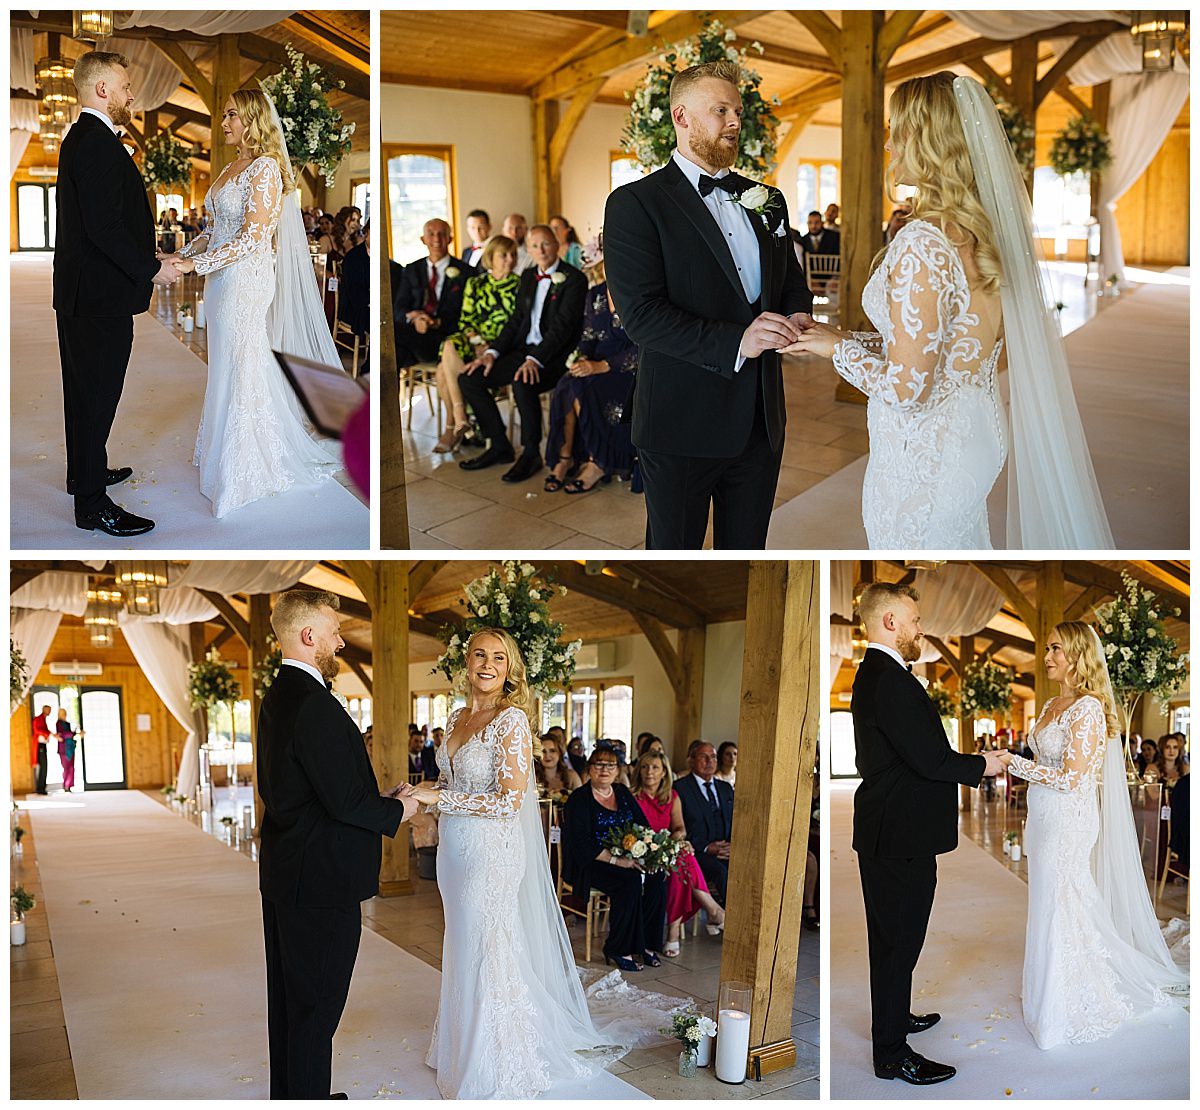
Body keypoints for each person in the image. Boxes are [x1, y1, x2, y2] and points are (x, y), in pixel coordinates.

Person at [785, 73, 1112, 550]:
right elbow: (937, 346)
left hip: (924, 449)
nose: (889, 145)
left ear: (928, 140)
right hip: (972, 432)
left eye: (898, 129)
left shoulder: (923, 242)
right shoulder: (982, 232)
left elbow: (909, 388)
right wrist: (839, 336)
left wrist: (835, 349)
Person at [400, 629, 679, 1097]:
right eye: (479, 655)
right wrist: (418, 795)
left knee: (487, 946)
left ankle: (493, 1057)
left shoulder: (510, 722)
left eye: (499, 658)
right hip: (455, 848)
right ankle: (458, 1045)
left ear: (510, 670)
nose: (487, 664)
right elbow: (448, 779)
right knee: (463, 943)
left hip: (491, 853)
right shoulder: (454, 718)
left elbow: (508, 801)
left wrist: (439, 795)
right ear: (465, 662)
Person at [604, 60, 814, 549]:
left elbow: (791, 284)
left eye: (737, 110)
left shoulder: (768, 200)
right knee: (673, 554)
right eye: (720, 110)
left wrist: (799, 312)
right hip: (681, 424)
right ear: (681, 116)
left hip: (761, 423)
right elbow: (642, 316)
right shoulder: (635, 204)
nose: (735, 122)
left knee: (748, 554)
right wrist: (739, 340)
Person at [158, 89, 350, 519]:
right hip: (221, 279)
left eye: (230, 115)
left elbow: (251, 238)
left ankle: (246, 469)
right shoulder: (229, 167)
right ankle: (222, 456)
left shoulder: (265, 169)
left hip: (245, 280)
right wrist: (186, 255)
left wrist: (197, 266)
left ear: (251, 118)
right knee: (227, 363)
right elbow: (217, 228)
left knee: (244, 362)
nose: (224, 123)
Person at [256, 590, 414, 1098]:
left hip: (289, 871)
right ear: (308, 636)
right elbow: (345, 804)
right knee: (314, 1007)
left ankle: (293, 1097)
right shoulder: (315, 704)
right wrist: (405, 808)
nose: (340, 640)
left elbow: (313, 789)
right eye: (333, 630)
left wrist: (377, 797)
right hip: (319, 882)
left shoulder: (278, 695)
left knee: (289, 1000)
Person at [851, 581, 1008, 1085]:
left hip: (900, 830)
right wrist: (985, 762)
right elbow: (931, 759)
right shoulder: (887, 679)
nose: (922, 628)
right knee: (897, 941)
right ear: (890, 621)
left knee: (897, 940)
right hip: (898, 835)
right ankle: (891, 1054)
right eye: (915, 620)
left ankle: (894, 1019)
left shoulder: (882, 674)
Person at [1005, 622, 1188, 1049]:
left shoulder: (1087, 708)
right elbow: (1048, 762)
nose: (1047, 656)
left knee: (1063, 900)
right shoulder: (1052, 702)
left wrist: (1013, 763)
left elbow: (1071, 779)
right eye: (1047, 648)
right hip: (1044, 815)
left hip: (1069, 819)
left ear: (1078, 653)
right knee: (1047, 899)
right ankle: (1045, 990)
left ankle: (1062, 1005)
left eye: (1055, 649)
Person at [55, 51, 179, 537]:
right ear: (102, 89)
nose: (132, 95)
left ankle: (82, 472)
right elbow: (105, 228)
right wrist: (151, 268)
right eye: (125, 87)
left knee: (84, 393)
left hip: (86, 294)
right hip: (98, 298)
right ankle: (91, 504)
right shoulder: (95, 143)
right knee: (95, 396)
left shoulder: (84, 138)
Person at [457, 225, 587, 482]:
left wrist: (534, 360)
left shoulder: (574, 279)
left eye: (546, 244)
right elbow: (516, 321)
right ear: (528, 249)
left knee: (522, 381)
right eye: (535, 245)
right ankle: (499, 444)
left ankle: (531, 453)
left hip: (555, 356)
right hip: (523, 351)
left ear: (556, 245)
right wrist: (492, 353)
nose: (541, 250)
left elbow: (562, 329)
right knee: (469, 378)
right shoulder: (527, 276)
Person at [543, 234, 637, 494]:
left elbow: (645, 347)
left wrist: (602, 366)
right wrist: (583, 358)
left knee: (587, 388)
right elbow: (587, 335)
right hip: (596, 361)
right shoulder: (595, 294)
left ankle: (599, 462)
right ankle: (565, 458)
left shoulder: (640, 295)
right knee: (566, 384)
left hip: (629, 369)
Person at [562, 745, 667, 971]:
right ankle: (618, 948)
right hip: (591, 862)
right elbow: (581, 844)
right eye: (598, 764)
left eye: (610, 765)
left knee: (656, 876)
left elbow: (642, 826)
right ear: (589, 769)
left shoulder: (622, 792)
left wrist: (648, 854)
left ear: (618, 770)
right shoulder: (579, 799)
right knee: (628, 882)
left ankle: (647, 944)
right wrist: (618, 860)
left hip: (626, 858)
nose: (604, 770)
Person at [431, 234, 520, 453]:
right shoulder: (475, 283)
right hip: (473, 342)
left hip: (502, 347)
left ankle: (453, 425)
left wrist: (491, 347)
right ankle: (461, 415)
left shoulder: (520, 285)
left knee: (443, 370)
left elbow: (517, 326)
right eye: (503, 255)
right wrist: (477, 341)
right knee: (450, 344)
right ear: (491, 257)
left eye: (513, 255)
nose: (509, 259)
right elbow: (466, 321)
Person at [632, 751, 725, 957]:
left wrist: (675, 841)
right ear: (639, 771)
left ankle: (681, 927)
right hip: (640, 852)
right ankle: (710, 912)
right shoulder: (632, 796)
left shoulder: (672, 797)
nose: (649, 772)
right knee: (682, 859)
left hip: (665, 851)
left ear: (664, 772)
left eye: (655, 767)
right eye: (645, 767)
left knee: (680, 861)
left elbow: (680, 827)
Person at [393, 218, 474, 368]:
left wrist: (436, 323)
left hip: (446, 337)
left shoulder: (466, 272)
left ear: (450, 239)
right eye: (431, 234)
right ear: (423, 239)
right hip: (414, 335)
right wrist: (414, 318)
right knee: (394, 351)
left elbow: (469, 314)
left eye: (442, 234)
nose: (437, 239)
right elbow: (398, 308)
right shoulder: (412, 269)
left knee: (390, 336)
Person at [674, 741, 735, 903]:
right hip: (698, 852)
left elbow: (736, 821)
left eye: (713, 757)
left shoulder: (725, 788)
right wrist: (708, 847)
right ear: (692, 760)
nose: (709, 761)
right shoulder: (680, 787)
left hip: (727, 850)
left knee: (747, 867)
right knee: (721, 871)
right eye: (703, 757)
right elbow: (679, 826)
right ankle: (728, 917)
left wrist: (731, 846)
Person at [55, 709, 80, 792]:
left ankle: (69, 785)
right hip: (63, 749)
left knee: (71, 767)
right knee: (66, 767)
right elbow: (62, 735)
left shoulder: (67, 724)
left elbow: (68, 734)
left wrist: (76, 732)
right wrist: (71, 734)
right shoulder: (58, 723)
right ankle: (66, 785)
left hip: (70, 747)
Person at [31, 705, 53, 795]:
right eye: (48, 710)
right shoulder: (37, 719)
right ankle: (40, 788)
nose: (49, 712)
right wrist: (47, 734)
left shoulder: (43, 719)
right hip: (39, 746)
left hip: (43, 745)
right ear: (44, 710)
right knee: (43, 767)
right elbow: (37, 731)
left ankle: (42, 787)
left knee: (45, 766)